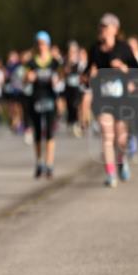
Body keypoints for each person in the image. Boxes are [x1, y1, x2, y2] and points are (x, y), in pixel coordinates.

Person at [85, 13, 138, 187]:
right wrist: (89, 75)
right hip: (103, 100)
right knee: (107, 136)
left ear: (115, 29)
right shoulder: (94, 49)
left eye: (106, 26)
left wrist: (124, 69)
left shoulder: (124, 48)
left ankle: (121, 161)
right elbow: (86, 75)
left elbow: (136, 71)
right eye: (101, 26)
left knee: (121, 140)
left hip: (122, 99)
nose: (103, 29)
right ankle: (110, 174)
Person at [25, 32, 63, 178]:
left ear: (48, 45)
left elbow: (61, 78)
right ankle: (39, 162)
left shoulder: (54, 62)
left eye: (43, 43)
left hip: (50, 99)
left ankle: (49, 163)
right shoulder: (31, 62)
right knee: (38, 133)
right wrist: (28, 78)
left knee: (49, 133)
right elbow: (23, 79)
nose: (41, 47)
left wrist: (57, 81)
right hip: (35, 99)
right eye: (39, 44)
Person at [63, 41, 88, 137]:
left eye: (73, 50)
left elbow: (84, 73)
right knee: (70, 105)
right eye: (70, 50)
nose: (71, 52)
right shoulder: (65, 61)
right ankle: (72, 122)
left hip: (78, 87)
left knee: (78, 105)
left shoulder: (80, 61)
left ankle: (80, 123)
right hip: (68, 87)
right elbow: (62, 73)